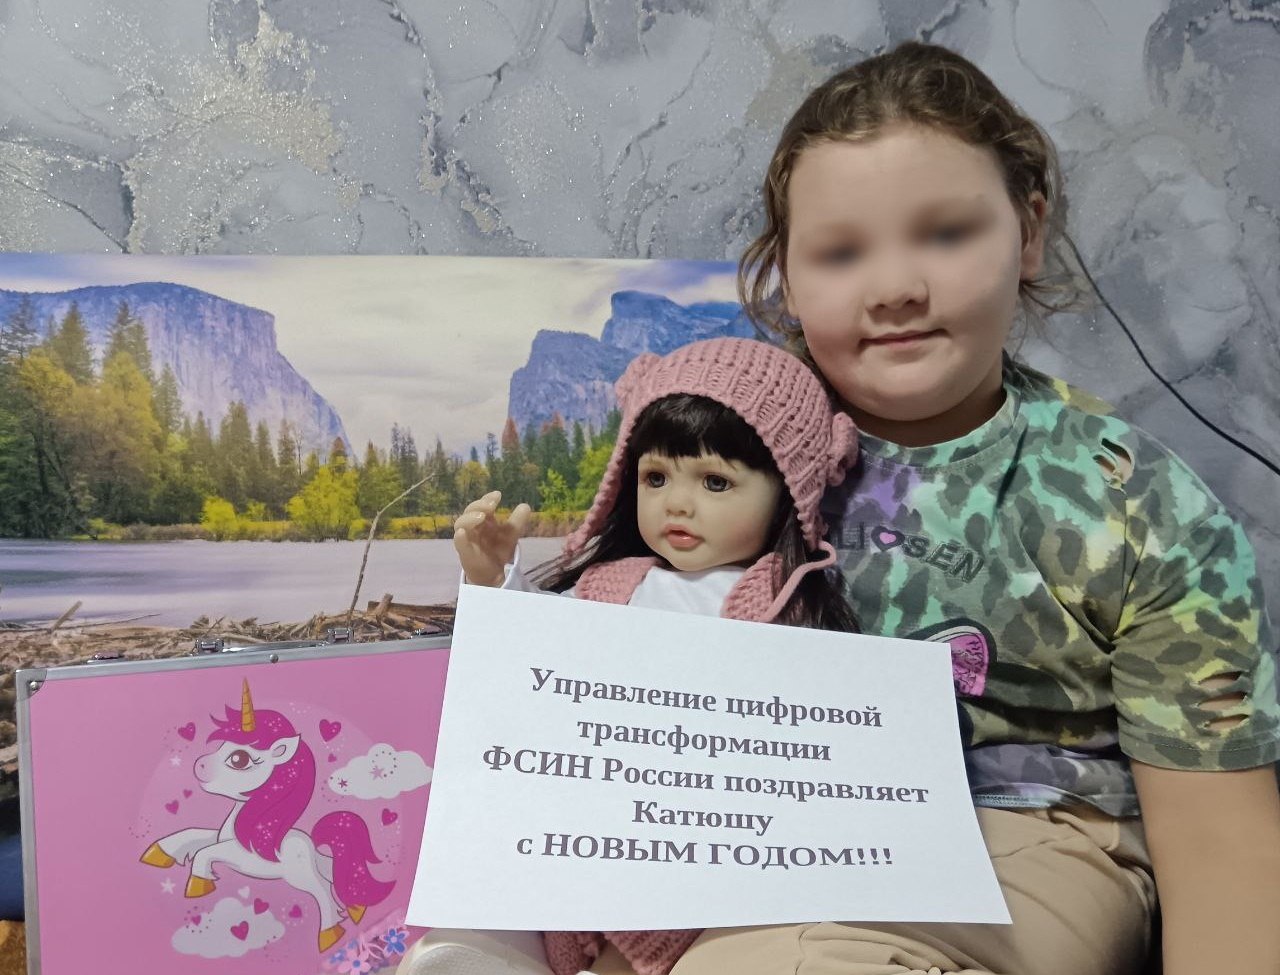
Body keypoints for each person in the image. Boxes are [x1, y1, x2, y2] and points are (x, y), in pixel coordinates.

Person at [668, 39, 1277, 975]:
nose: (896, 288)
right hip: (748, 816)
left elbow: (1220, 843)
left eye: (946, 234)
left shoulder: (1134, 503)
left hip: (1033, 825)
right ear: (785, 272)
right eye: (840, 252)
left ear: (1027, 232)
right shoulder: (722, 445)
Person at [437, 337, 861, 975]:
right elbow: (533, 652)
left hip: (709, 835)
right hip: (592, 817)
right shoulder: (610, 584)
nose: (677, 503)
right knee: (499, 886)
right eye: (655, 477)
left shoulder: (783, 604)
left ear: (787, 492)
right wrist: (495, 577)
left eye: (716, 482)